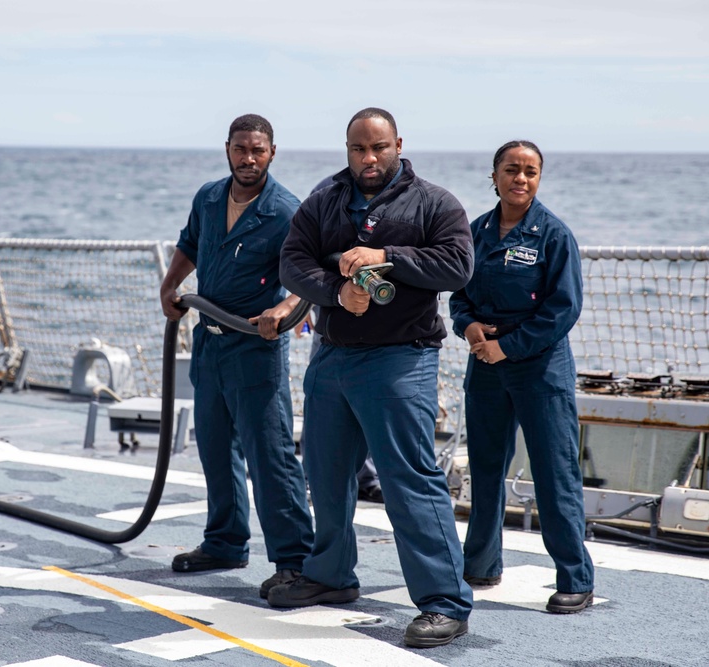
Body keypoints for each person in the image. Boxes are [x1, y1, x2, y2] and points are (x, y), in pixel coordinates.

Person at [275, 107, 474, 649]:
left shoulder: (434, 202)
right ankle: (331, 575)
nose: (368, 158)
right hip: (332, 356)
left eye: (378, 148)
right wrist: (336, 291)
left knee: (409, 480)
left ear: (398, 145)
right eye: (359, 149)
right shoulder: (325, 198)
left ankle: (444, 603)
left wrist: (386, 255)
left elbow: (457, 266)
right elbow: (292, 262)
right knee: (326, 472)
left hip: (401, 359)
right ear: (346, 148)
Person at [160, 114, 314, 599]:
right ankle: (225, 542)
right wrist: (169, 284)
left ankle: (294, 560)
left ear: (272, 153)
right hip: (208, 341)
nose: (249, 159)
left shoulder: (287, 210)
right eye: (241, 149)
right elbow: (188, 245)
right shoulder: (208, 197)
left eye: (259, 151)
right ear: (227, 148)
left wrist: (285, 308)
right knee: (214, 445)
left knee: (269, 457)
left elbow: (305, 277)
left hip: (255, 347)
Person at [449, 140, 595, 613]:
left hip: (539, 367)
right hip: (485, 365)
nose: (520, 179)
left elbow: (563, 308)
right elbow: (459, 296)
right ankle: (482, 564)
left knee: (555, 474)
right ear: (493, 176)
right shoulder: (475, 233)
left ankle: (575, 577)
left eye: (530, 172)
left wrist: (506, 347)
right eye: (511, 170)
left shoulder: (553, 235)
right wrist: (468, 326)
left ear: (538, 179)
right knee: (486, 468)